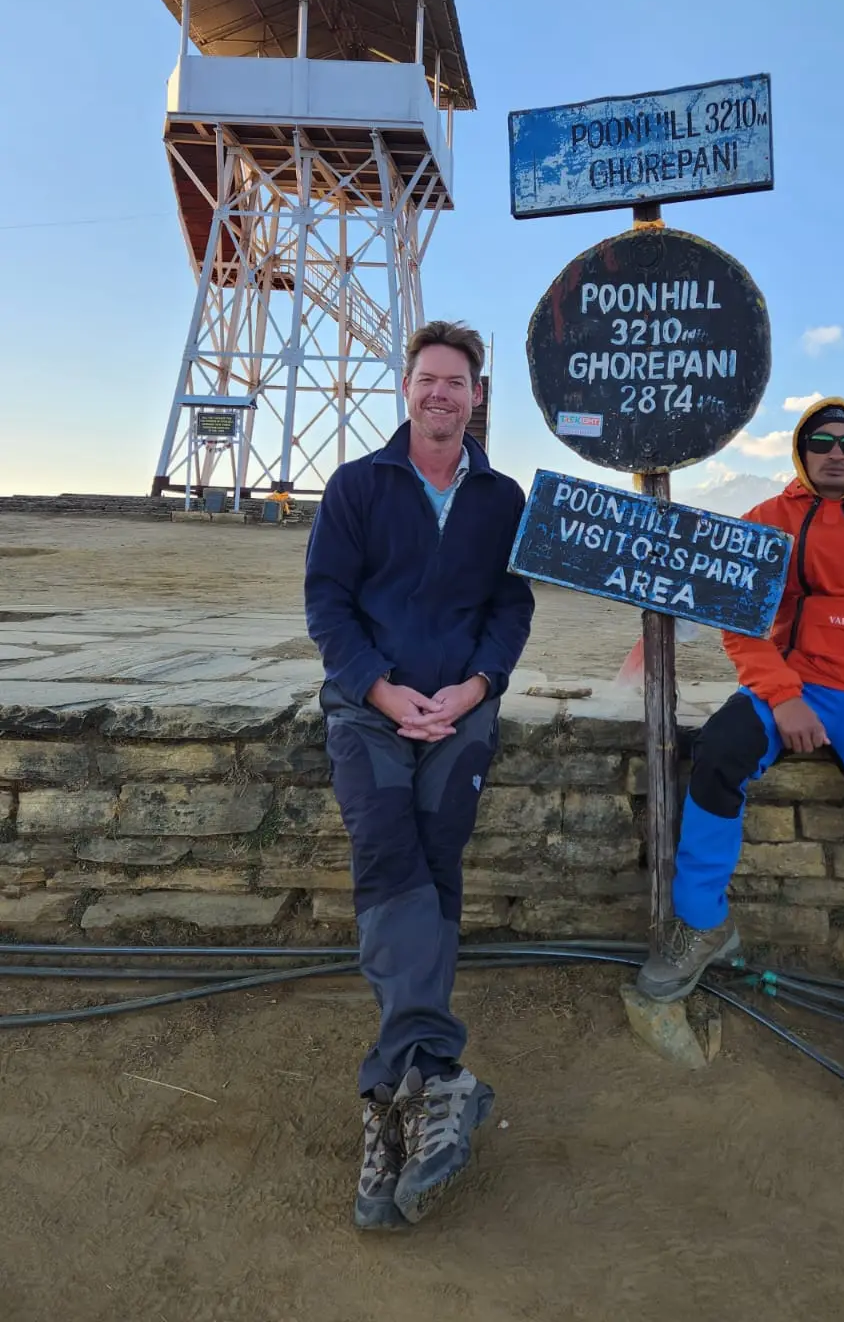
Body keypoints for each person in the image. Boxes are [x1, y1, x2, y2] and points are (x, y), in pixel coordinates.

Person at [637, 398, 844, 1134]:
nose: (835, 453)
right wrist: (783, 698)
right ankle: (701, 925)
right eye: (820, 441)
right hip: (794, 686)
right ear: (801, 450)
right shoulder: (770, 517)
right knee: (719, 752)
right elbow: (741, 621)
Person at [305, 320, 534, 1228]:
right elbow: (327, 601)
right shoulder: (358, 487)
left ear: (477, 397)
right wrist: (386, 691)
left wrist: (477, 686)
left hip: (463, 709)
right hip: (370, 708)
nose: (441, 394)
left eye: (458, 383)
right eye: (427, 379)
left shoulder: (502, 497)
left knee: (436, 854)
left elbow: (511, 609)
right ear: (406, 388)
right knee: (391, 852)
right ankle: (431, 1074)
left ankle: (403, 1097)